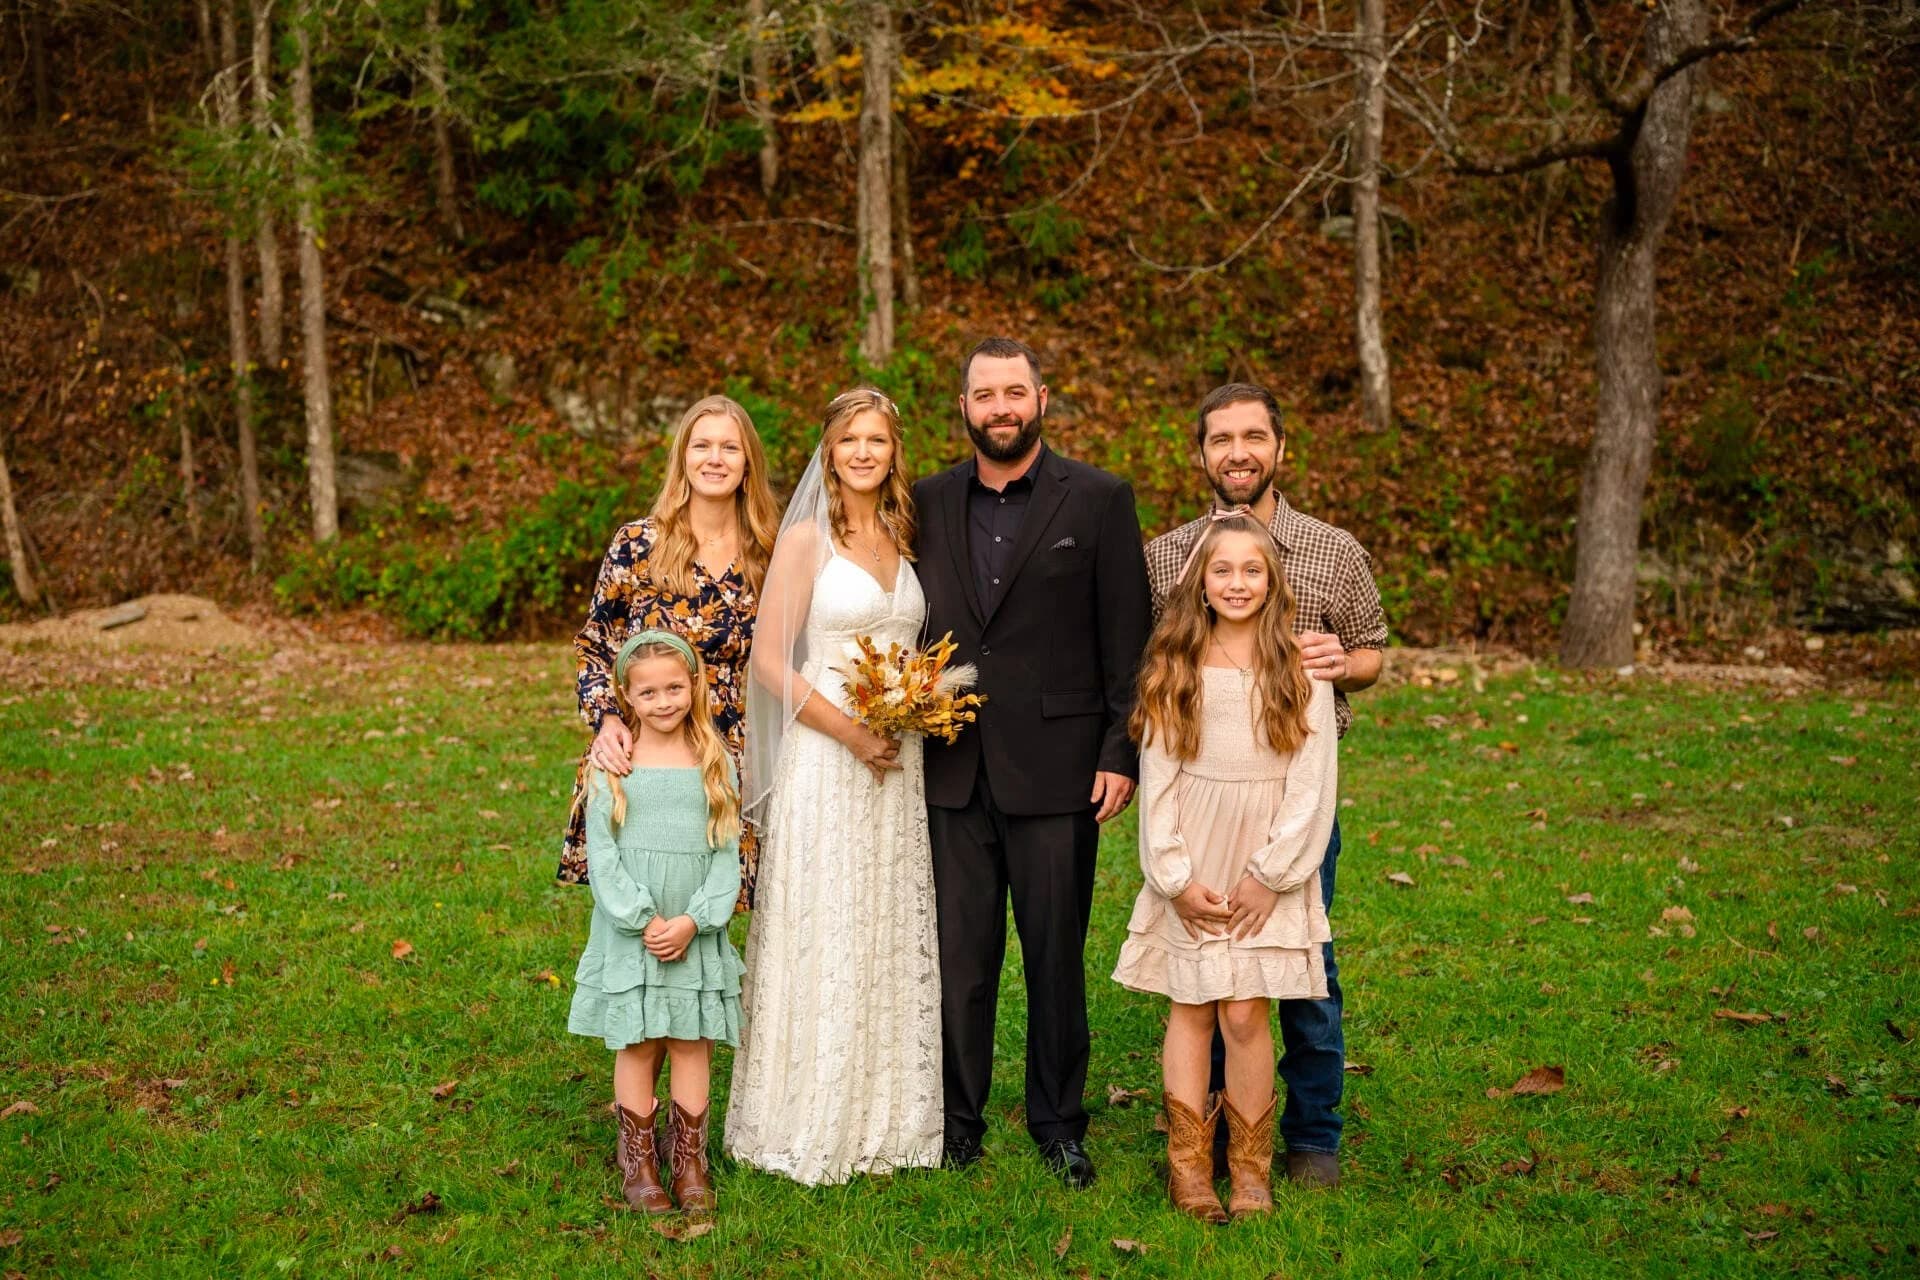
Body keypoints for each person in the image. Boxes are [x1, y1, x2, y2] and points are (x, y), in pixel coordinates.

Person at [913, 337, 1153, 1188]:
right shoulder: (925, 501)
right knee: (961, 960)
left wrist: (1121, 749)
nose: (1001, 408)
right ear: (966, 406)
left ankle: (1059, 1123)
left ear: (1042, 398)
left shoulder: (1096, 499)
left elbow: (1128, 640)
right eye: (985, 395)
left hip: (1060, 769)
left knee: (1055, 955)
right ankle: (956, 1122)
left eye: (1015, 392)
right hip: (949, 765)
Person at [1142, 382, 1386, 1190]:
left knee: (1303, 980)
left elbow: (1373, 654)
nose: (1238, 452)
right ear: (1202, 452)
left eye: (1254, 437)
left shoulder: (1333, 550)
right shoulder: (1167, 556)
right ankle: (1200, 1147)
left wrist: (1337, 664)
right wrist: (1170, 866)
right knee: (1205, 995)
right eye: (1222, 439)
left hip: (1292, 811)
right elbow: (1159, 693)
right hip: (1196, 813)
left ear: (1281, 447)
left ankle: (1310, 1137)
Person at [724, 389, 944, 1185]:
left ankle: (890, 1117)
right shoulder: (809, 540)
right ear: (828, 450)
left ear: (893, 452)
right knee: (828, 918)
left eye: (877, 440)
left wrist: (919, 705)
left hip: (899, 756)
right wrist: (852, 732)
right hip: (829, 752)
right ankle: (807, 1111)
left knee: (884, 916)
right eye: (849, 439)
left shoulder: (906, 533)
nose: (862, 452)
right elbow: (771, 661)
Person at [1116, 512, 1337, 1222]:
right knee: (1193, 1007)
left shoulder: (1301, 668)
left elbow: (1312, 784)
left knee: (1245, 1011)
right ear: (1200, 584)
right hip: (1195, 857)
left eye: (1252, 570)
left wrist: (1270, 875)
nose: (1237, 583)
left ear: (1273, 580)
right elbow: (1160, 782)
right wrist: (1174, 879)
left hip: (1266, 862)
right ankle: (1188, 1169)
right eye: (1222, 571)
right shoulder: (1175, 667)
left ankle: (1249, 1169)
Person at [560, 395, 780, 908]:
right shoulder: (639, 544)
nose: (715, 458)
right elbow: (595, 646)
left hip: (736, 751)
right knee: (649, 895)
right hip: (653, 747)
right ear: (683, 458)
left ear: (748, 462)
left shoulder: (771, 551)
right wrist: (607, 721)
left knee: (713, 911)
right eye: (702, 446)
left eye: (730, 447)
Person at [567, 630, 746, 1218]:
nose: (664, 700)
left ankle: (690, 1160)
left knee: (692, 1039)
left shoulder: (715, 762)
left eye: (675, 687)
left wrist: (696, 920)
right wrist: (642, 919)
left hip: (692, 926)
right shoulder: (612, 765)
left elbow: (727, 859)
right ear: (626, 696)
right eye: (649, 692)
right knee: (639, 1039)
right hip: (635, 931)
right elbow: (604, 856)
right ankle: (639, 1161)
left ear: (694, 686)